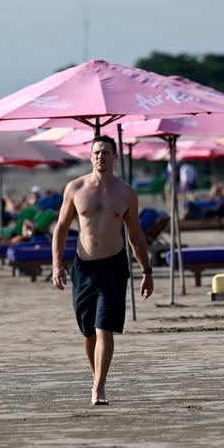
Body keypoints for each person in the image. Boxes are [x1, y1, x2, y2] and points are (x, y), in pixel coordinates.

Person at [52, 135, 154, 406]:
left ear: (115, 157)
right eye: (96, 152)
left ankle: (99, 387)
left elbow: (136, 235)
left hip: (113, 266)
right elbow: (61, 229)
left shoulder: (126, 193)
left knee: (103, 327)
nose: (100, 157)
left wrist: (147, 270)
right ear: (90, 156)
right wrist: (56, 265)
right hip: (83, 268)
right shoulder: (75, 188)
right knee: (88, 332)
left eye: (106, 153)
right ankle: (96, 374)